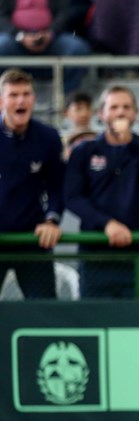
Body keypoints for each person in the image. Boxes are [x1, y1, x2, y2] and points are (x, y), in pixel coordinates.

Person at [64, 85, 139, 298]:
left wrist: (130, 144)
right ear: (101, 114)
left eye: (127, 107)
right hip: (96, 255)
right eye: (114, 107)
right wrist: (108, 224)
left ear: (135, 114)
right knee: (95, 323)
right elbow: (72, 197)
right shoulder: (84, 151)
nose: (120, 112)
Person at [0, 69, 65, 299]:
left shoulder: (47, 137)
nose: (20, 100)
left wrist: (52, 219)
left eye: (26, 94)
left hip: (32, 238)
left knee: (43, 312)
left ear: (33, 99)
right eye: (13, 94)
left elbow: (57, 186)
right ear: (1, 101)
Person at [0, 0, 92, 94]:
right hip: (15, 40)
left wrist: (50, 34)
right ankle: (5, 98)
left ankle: (66, 99)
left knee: (77, 49)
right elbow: (1, 16)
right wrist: (20, 36)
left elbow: (64, 13)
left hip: (52, 39)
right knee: (2, 46)